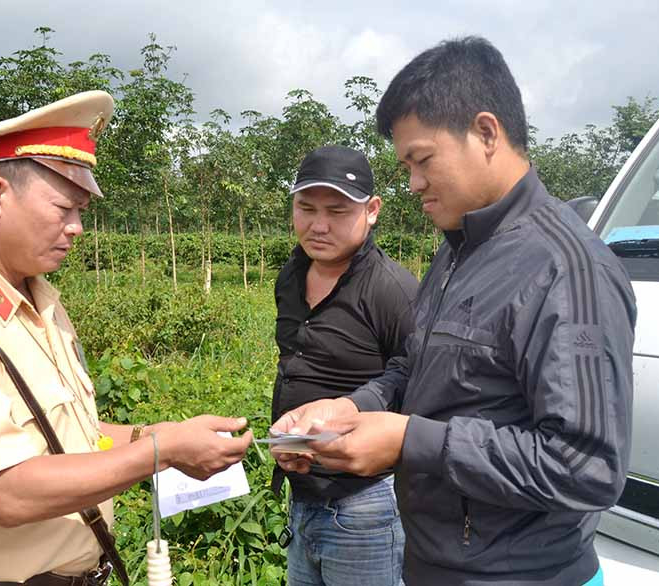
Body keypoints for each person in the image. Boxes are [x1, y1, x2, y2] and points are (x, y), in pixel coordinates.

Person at [273, 37, 636, 586]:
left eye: (422, 160)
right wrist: (350, 408)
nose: (413, 183)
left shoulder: (566, 270)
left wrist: (407, 440)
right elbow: (412, 369)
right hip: (433, 564)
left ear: (486, 133)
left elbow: (585, 466)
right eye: (406, 165)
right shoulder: (455, 253)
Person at [0, 91, 252, 586]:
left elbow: (66, 436)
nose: (76, 228)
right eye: (63, 208)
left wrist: (155, 434)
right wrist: (161, 452)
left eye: (81, 211)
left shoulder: (38, 301)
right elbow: (7, 492)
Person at [271, 145, 418, 585]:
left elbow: (417, 379)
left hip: (364, 507)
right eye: (306, 208)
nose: (318, 225)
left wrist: (351, 411)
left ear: (371, 210)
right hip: (302, 498)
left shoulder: (393, 290)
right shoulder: (291, 276)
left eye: (337, 211)